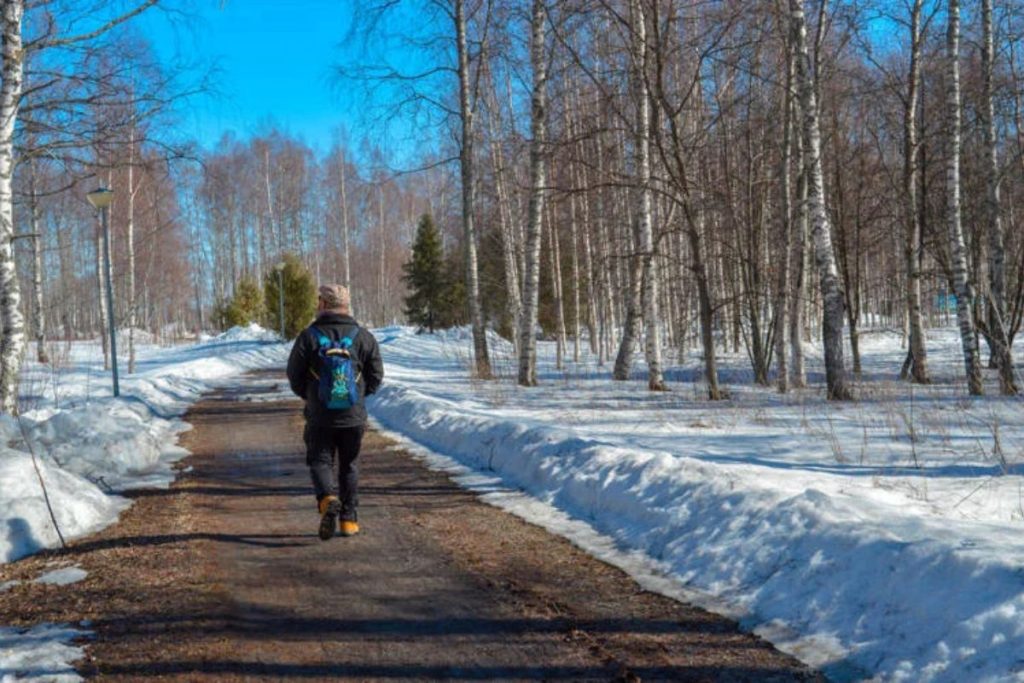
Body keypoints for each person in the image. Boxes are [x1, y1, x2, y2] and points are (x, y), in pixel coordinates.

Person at [287, 284, 383, 540]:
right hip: (353, 415)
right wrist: (358, 396)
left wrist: (310, 396)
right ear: (346, 305)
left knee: (320, 460)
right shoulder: (363, 337)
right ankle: (349, 521)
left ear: (323, 304)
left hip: (319, 415)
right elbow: (376, 375)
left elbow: (294, 375)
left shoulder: (308, 336)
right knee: (349, 465)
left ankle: (327, 498)